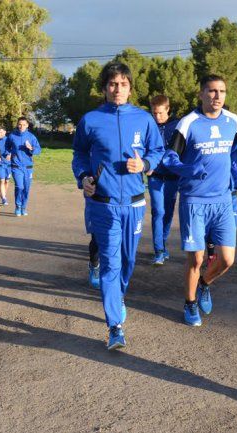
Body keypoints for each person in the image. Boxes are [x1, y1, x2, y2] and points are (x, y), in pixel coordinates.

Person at [72, 61, 164, 350]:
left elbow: (158, 150)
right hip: (103, 204)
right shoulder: (91, 120)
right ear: (104, 88)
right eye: (112, 84)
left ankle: (118, 296)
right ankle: (115, 326)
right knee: (111, 263)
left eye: (123, 84)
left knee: (128, 261)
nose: (118, 89)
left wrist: (145, 164)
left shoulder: (144, 119)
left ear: (130, 88)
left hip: (135, 204)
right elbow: (79, 153)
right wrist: (84, 177)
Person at [162, 75, 237, 327]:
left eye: (222, 91)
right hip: (194, 201)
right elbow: (169, 159)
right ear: (201, 94)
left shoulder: (233, 121)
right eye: (211, 91)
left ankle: (205, 283)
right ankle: (189, 304)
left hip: (223, 201)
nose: (217, 96)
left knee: (227, 260)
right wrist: (189, 170)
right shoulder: (188, 124)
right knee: (196, 260)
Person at [147, 94, 179, 266]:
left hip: (173, 178)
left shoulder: (178, 125)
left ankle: (163, 243)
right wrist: (147, 163)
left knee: (167, 213)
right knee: (158, 211)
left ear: (168, 109)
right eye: (154, 113)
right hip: (156, 177)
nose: (157, 117)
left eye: (160, 113)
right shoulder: (149, 125)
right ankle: (158, 250)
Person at [4, 117, 41, 216]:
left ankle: (24, 207)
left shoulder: (31, 137)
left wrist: (31, 148)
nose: (21, 126)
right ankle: (18, 206)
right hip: (16, 166)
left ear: (27, 125)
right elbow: (6, 147)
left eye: (24, 124)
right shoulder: (12, 136)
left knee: (26, 188)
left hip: (28, 167)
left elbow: (38, 150)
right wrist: (8, 153)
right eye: (20, 124)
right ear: (17, 124)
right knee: (19, 186)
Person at [0, 127, 11, 206]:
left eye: (1, 132)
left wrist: (10, 154)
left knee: (7, 181)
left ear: (5, 132)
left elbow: (14, 148)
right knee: (2, 180)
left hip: (8, 164)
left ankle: (3, 194)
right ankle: (4, 198)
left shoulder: (9, 140)